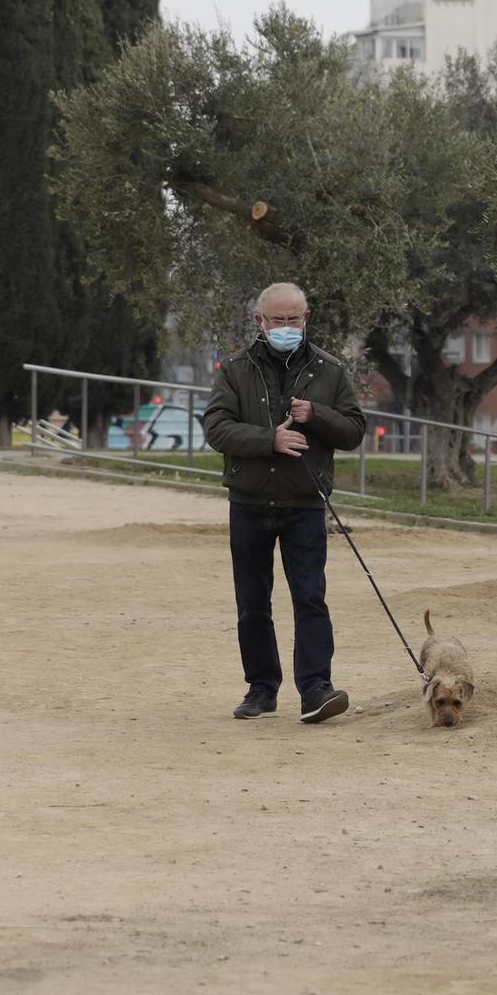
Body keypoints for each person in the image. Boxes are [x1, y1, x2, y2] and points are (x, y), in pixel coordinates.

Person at [202, 283, 367, 723]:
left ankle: (316, 689)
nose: (287, 327)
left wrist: (319, 416)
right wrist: (268, 439)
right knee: (252, 601)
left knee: (310, 597)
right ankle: (261, 689)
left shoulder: (330, 370)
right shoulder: (235, 368)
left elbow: (354, 431)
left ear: (306, 317)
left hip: (305, 503)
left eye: (295, 319)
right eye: (278, 319)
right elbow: (216, 427)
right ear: (260, 321)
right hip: (250, 501)